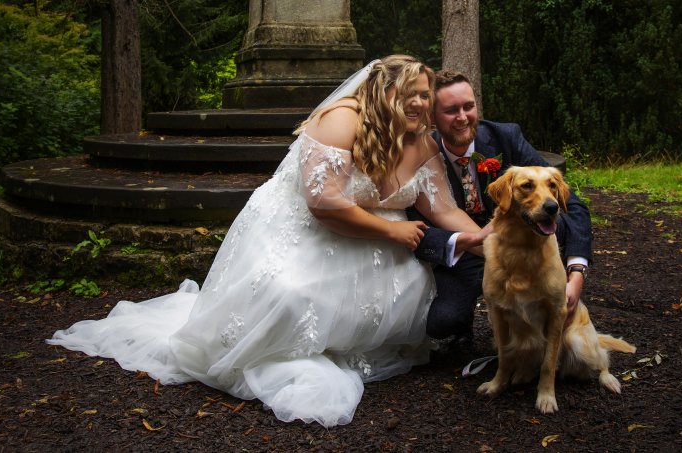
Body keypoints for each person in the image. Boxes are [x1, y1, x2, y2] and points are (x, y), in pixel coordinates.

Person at [47, 56, 488, 428]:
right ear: (381, 92)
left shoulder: (422, 143)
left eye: (424, 95)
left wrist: (487, 240)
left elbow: (443, 210)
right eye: (409, 93)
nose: (418, 103)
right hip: (306, 230)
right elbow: (325, 205)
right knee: (289, 297)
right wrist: (393, 229)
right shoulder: (340, 121)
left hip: (375, 246)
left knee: (412, 290)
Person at [410, 70, 593, 343]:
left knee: (554, 216)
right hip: (466, 255)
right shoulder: (420, 153)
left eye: (468, 106)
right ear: (433, 117)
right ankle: (466, 327)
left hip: (524, 247)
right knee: (442, 323)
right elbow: (417, 229)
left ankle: (548, 313)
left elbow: (573, 206)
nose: (463, 117)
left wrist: (576, 273)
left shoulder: (506, 137)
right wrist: (465, 241)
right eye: (451, 110)